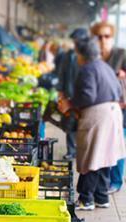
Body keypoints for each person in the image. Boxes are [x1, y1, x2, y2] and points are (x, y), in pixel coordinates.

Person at [58, 37, 126, 210]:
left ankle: (86, 199)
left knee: (91, 156)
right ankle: (101, 197)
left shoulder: (87, 69)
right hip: (113, 113)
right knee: (105, 156)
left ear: (81, 55)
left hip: (98, 116)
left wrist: (70, 104)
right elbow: (118, 91)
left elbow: (88, 96)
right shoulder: (105, 67)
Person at [91, 21, 126, 194]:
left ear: (112, 37)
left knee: (117, 146)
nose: (103, 40)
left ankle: (116, 181)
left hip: (120, 109)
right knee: (102, 146)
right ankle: (101, 184)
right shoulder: (93, 57)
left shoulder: (121, 54)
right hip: (98, 110)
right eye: (99, 36)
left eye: (107, 36)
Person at [57, 28, 89, 160]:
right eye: (74, 41)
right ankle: (71, 150)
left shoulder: (88, 56)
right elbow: (62, 73)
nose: (75, 43)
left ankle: (82, 151)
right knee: (70, 123)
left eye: (77, 41)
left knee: (83, 124)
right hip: (69, 94)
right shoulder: (68, 55)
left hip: (83, 96)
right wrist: (61, 92)